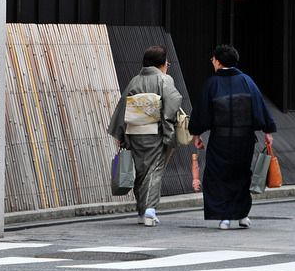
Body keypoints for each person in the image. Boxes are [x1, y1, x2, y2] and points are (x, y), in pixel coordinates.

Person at [188, 44, 277, 230]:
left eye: (213, 60)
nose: (212, 62)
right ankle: (242, 214)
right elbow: (259, 106)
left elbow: (201, 111)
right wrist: (267, 131)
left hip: (220, 138)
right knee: (242, 174)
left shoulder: (212, 83)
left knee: (217, 176)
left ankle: (224, 217)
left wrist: (197, 134)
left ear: (218, 62)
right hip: (243, 139)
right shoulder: (246, 81)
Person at [108, 45, 182, 226]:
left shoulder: (134, 81)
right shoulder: (164, 80)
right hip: (154, 132)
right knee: (154, 170)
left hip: (134, 132)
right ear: (162, 63)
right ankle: (149, 209)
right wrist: (168, 125)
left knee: (141, 171)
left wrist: (122, 133)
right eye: (167, 62)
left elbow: (123, 107)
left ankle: (142, 211)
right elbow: (173, 102)